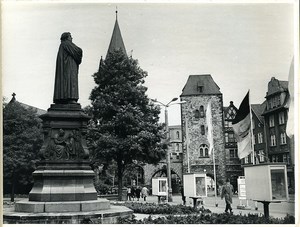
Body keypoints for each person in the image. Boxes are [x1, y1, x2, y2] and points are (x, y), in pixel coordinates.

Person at [54, 32, 83, 104]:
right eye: (70, 36)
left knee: (65, 82)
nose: (72, 38)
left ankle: (62, 98)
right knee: (70, 81)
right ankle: (71, 97)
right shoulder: (66, 43)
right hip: (69, 68)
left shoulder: (62, 45)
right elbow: (78, 50)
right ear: (67, 38)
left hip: (66, 67)